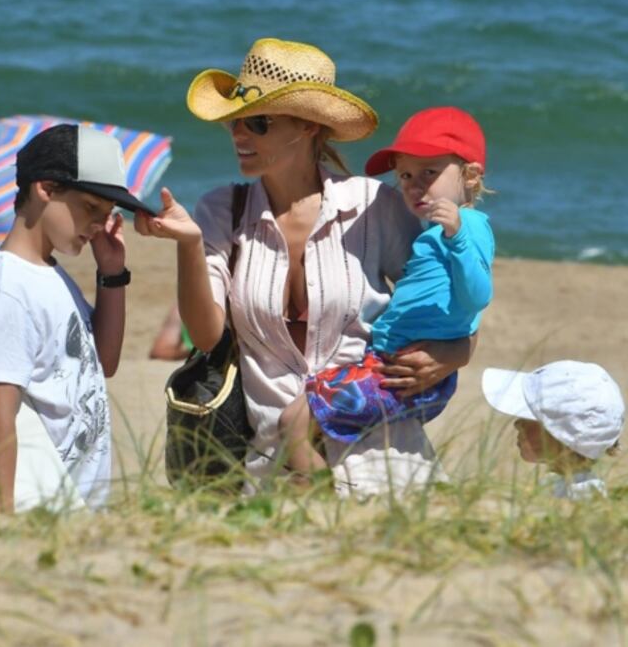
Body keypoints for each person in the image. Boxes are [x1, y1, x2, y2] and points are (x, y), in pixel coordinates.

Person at [135, 38, 474, 497]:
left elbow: (450, 301)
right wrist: (190, 245)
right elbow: (209, 335)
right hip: (269, 469)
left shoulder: (374, 206)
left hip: (384, 464)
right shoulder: (221, 211)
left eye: (258, 122)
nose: (239, 134)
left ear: (310, 126)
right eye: (234, 122)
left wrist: (455, 354)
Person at [280, 107, 493, 475]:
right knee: (308, 422)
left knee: (295, 420)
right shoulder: (433, 234)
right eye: (406, 175)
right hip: (396, 365)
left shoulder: (468, 227)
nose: (414, 184)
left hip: (404, 372)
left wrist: (457, 237)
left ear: (471, 176)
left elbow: (477, 297)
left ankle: (311, 500)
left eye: (430, 172)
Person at [0, 123, 153, 512]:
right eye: (90, 208)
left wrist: (111, 273)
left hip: (82, 503)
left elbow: (104, 361)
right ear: (46, 189)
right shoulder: (10, 287)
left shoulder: (50, 272)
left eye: (106, 214)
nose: (98, 225)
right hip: (40, 507)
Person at [482, 361, 625, 500]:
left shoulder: (576, 497)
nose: (517, 424)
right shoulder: (563, 488)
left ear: (560, 437)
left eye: (529, 418)